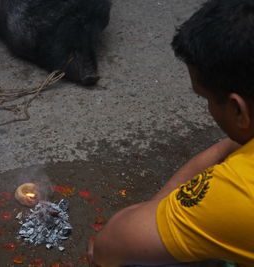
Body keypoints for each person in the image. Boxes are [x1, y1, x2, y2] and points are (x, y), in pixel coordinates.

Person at [88, 0, 254, 266]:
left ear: (238, 110)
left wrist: (153, 214)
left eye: (205, 98)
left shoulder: (239, 191)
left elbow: (110, 245)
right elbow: (228, 148)